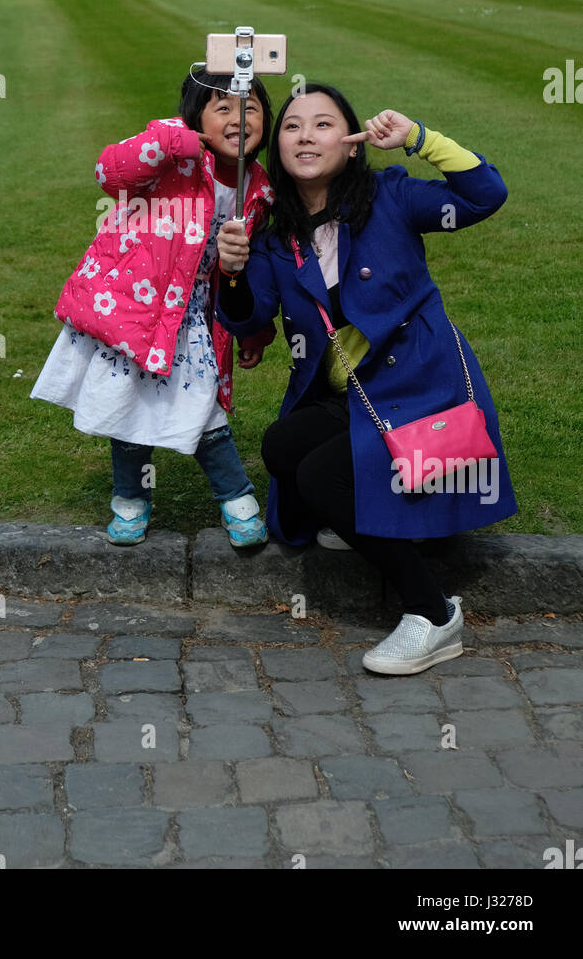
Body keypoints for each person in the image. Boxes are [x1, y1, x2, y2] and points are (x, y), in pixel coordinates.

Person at [215, 85, 516, 675]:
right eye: (293, 126)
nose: (306, 135)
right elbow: (251, 319)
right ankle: (383, 519)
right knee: (281, 447)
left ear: (351, 146)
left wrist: (420, 139)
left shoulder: (392, 197)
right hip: (351, 395)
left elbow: (486, 195)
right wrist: (230, 272)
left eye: (324, 124)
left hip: (420, 388)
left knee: (320, 477)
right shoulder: (278, 236)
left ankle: (432, 614)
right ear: (277, 147)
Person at [31, 72, 278, 549]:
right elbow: (109, 172)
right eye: (221, 108)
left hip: (192, 318)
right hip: (134, 310)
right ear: (196, 119)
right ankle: (131, 498)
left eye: (249, 108)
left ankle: (234, 496)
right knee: (126, 405)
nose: (237, 118)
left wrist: (252, 332)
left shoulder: (260, 189)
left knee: (204, 405)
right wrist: (167, 140)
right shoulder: (174, 157)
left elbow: (251, 270)